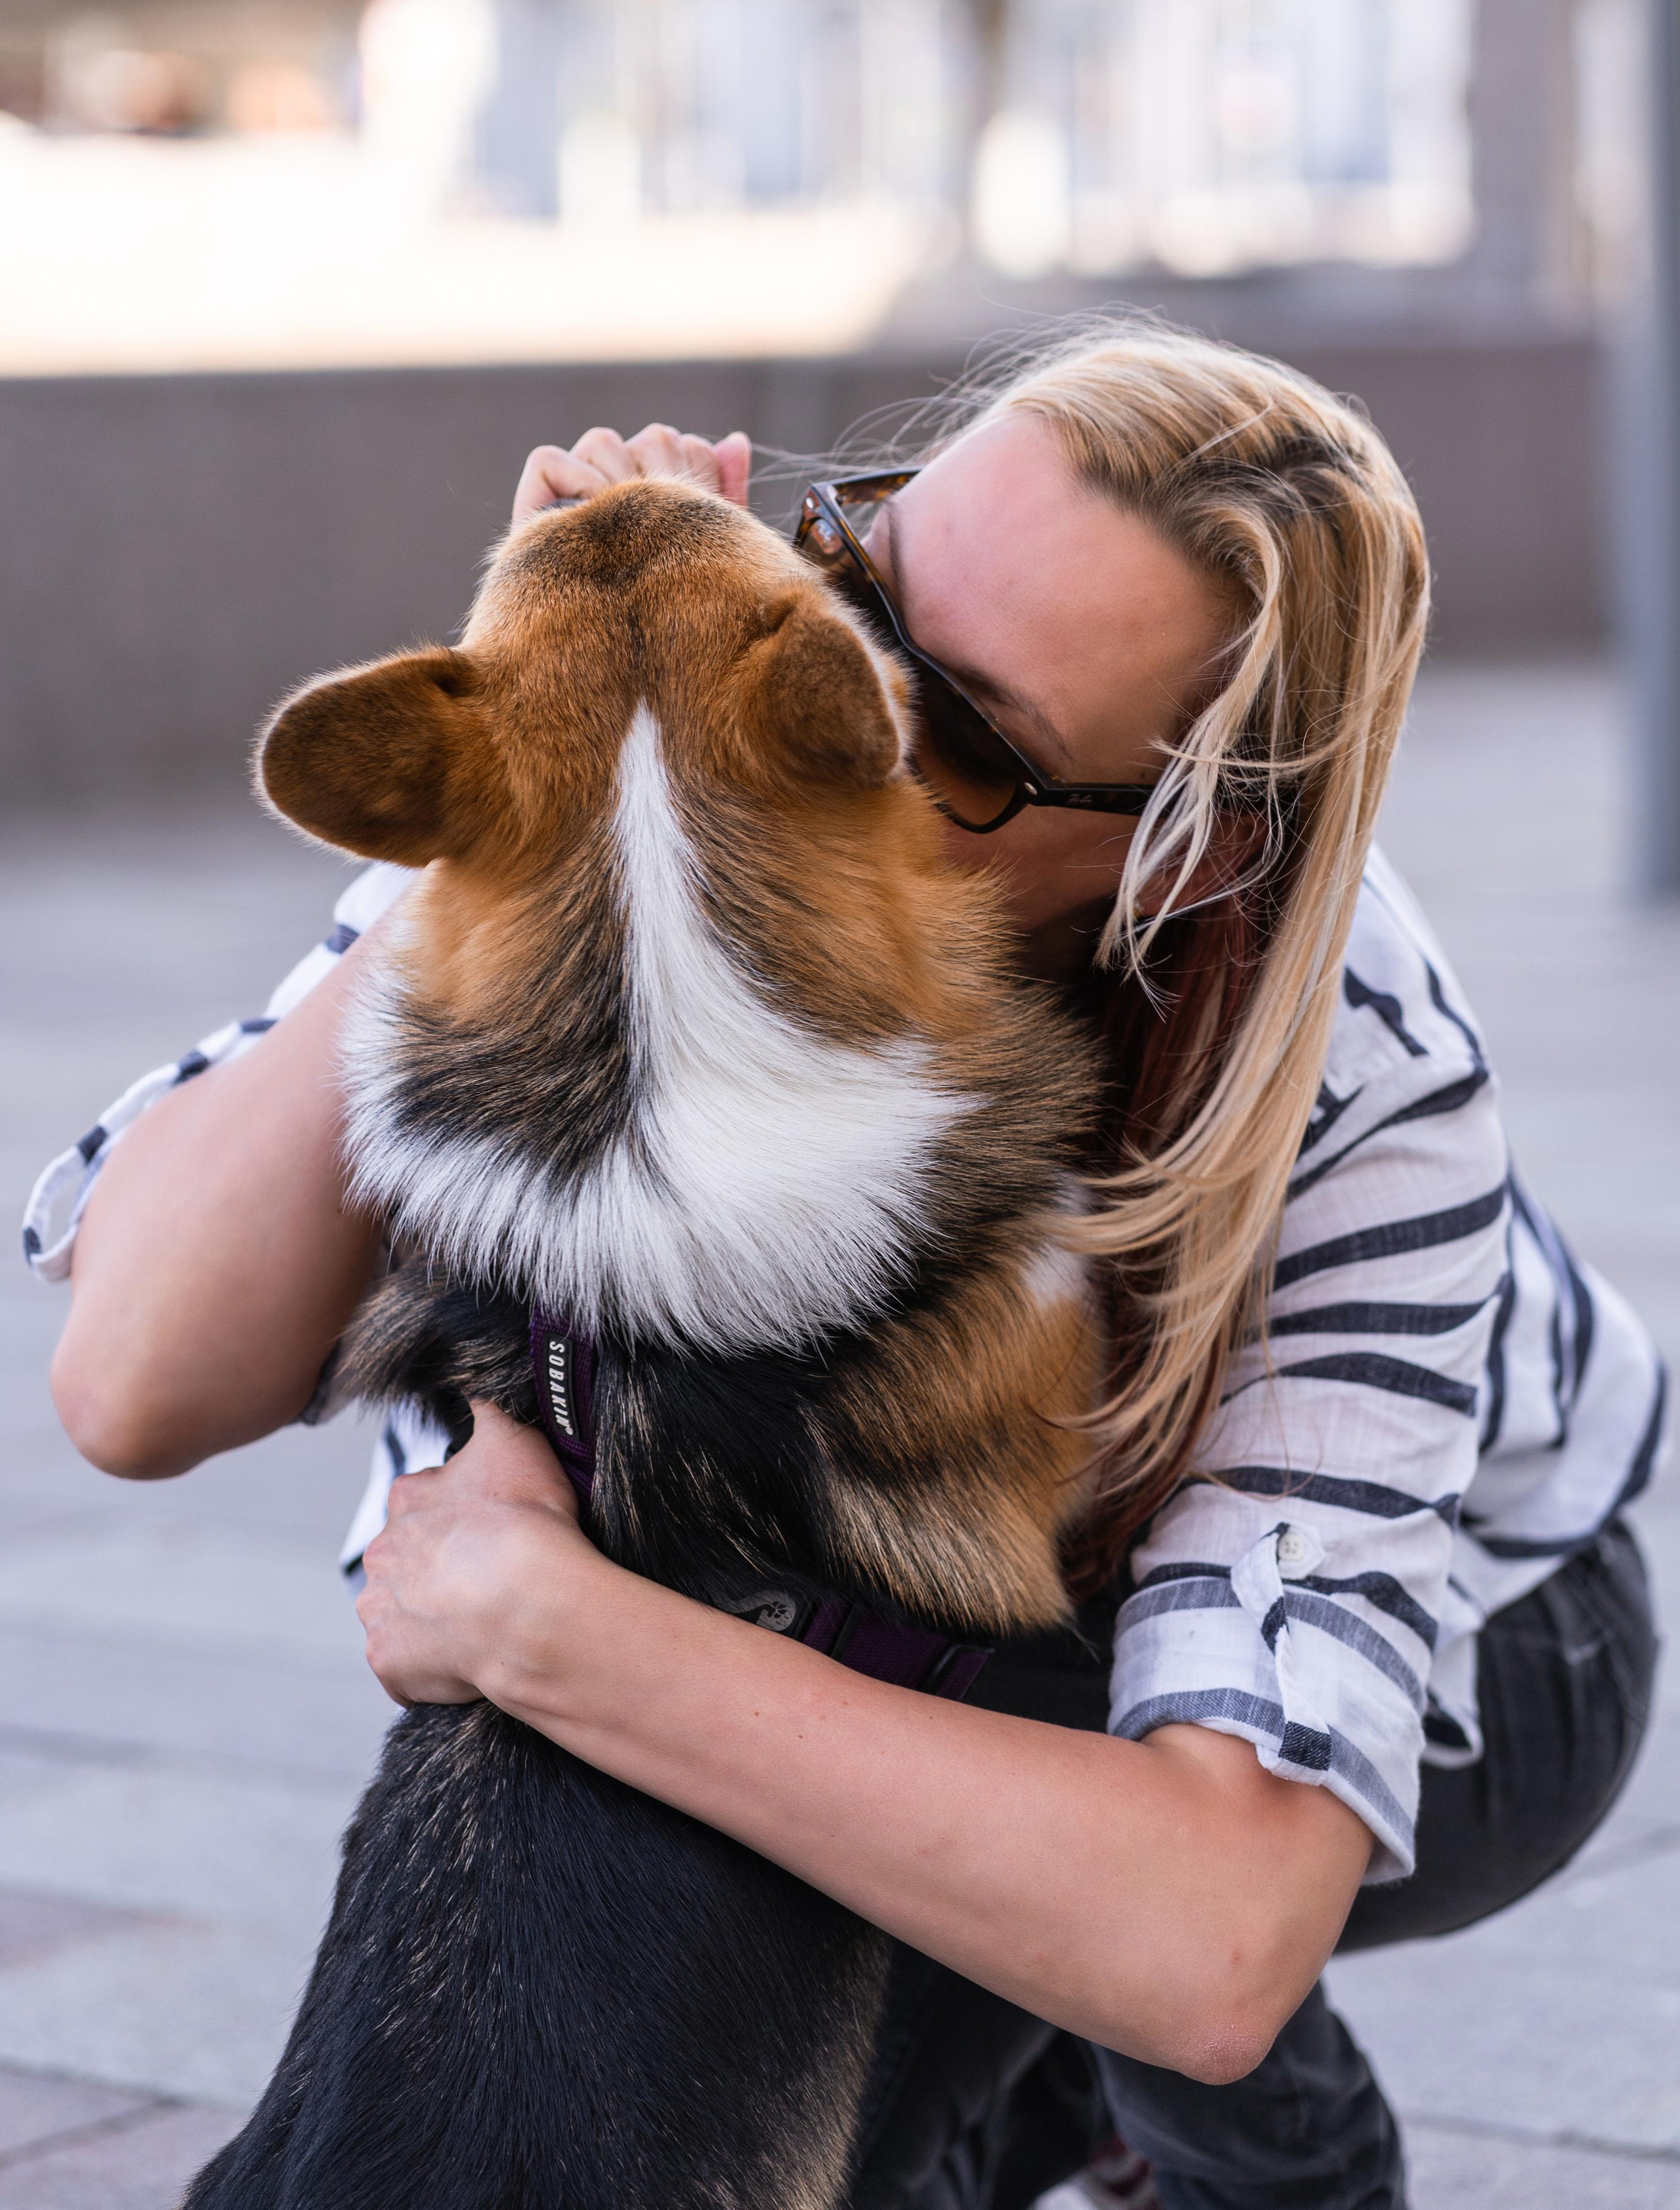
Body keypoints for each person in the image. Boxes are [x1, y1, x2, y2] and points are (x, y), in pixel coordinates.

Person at [28, 326, 1664, 2210]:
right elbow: (136, 1383)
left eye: (956, 729)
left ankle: (1261, 2160)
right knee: (819, 1683)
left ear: (1184, 851)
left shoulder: (1350, 1051)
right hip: (995, 1614)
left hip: (1496, 1641)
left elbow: (1214, 1941)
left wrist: (551, 1630)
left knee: (941, 1789)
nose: (834, 695)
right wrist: (539, 758)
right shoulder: (658, 771)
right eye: (848, 576)